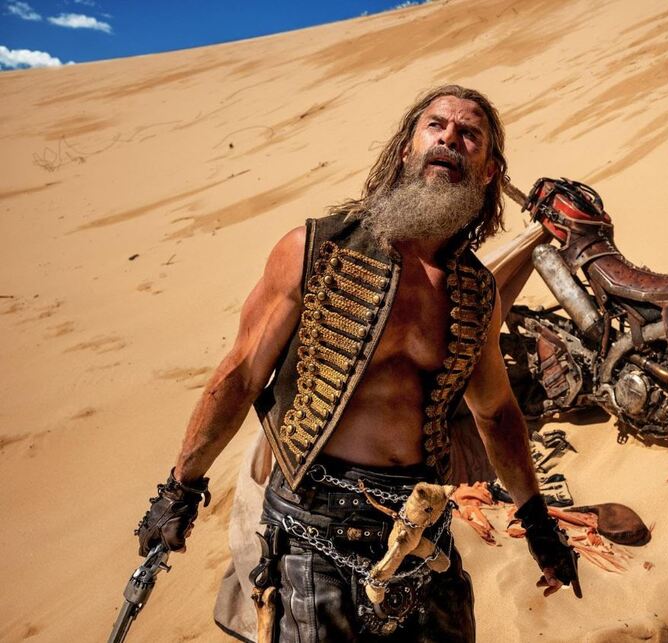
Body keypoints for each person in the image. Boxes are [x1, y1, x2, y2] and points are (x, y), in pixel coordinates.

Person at [134, 85, 580, 642]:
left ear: (488, 172)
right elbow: (242, 374)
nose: (449, 138)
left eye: (469, 134)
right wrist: (179, 489)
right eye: (435, 125)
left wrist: (536, 521)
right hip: (312, 527)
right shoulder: (314, 249)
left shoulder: (475, 292)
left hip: (421, 527)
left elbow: (495, 412)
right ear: (407, 148)